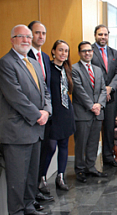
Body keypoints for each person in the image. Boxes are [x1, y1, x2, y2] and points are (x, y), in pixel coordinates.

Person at [0, 24, 51, 215]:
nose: (26, 40)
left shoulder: (34, 63)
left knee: (31, 175)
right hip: (17, 132)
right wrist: (38, 115)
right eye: (21, 37)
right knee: (17, 178)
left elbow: (45, 92)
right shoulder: (6, 63)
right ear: (12, 39)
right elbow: (16, 97)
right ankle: (17, 211)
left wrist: (47, 111)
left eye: (28, 37)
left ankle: (29, 206)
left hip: (36, 130)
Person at [38, 40, 76, 191]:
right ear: (53, 51)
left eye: (66, 51)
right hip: (53, 113)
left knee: (64, 145)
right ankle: (42, 177)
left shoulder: (67, 69)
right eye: (60, 50)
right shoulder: (48, 70)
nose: (63, 54)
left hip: (66, 112)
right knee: (51, 147)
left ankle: (60, 177)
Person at [27, 20, 54, 209]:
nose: (41, 37)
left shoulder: (44, 57)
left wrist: (47, 110)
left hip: (46, 113)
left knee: (46, 150)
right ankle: (31, 195)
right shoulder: (24, 56)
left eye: (43, 33)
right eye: (37, 33)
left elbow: (46, 87)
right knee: (30, 159)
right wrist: (38, 112)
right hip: (30, 117)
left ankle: (36, 188)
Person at [72, 41, 107, 183]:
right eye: (84, 51)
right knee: (81, 143)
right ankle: (80, 170)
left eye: (89, 50)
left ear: (93, 52)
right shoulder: (74, 69)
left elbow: (103, 89)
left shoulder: (97, 70)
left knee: (93, 141)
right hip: (83, 113)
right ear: (80, 53)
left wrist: (99, 104)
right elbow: (78, 90)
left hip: (97, 113)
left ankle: (91, 167)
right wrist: (91, 105)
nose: (87, 53)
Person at [91, 25, 117, 168]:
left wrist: (110, 88)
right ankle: (90, 162)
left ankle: (108, 157)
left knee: (109, 128)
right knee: (94, 130)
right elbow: (90, 73)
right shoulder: (89, 51)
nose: (103, 37)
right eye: (100, 34)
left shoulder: (114, 53)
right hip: (95, 98)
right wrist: (104, 91)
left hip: (111, 97)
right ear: (95, 35)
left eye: (105, 34)